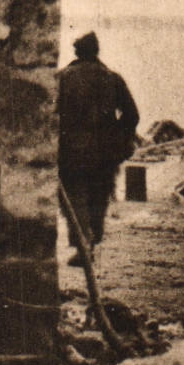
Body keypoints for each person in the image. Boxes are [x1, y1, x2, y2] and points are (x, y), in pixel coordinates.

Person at [56, 31, 139, 266]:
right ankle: (91, 244)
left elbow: (50, 115)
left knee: (75, 199)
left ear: (77, 52)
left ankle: (83, 246)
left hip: (71, 152)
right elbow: (132, 115)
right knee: (98, 198)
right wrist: (119, 139)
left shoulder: (63, 78)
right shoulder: (113, 78)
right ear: (96, 52)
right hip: (105, 154)